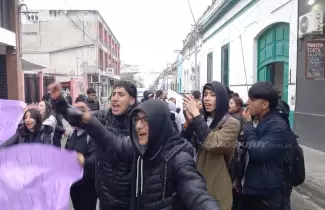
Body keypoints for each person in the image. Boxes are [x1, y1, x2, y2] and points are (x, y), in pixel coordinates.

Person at [50, 80, 138, 210]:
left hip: (128, 199)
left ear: (131, 100)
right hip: (104, 195)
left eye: (121, 94)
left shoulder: (138, 122)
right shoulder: (105, 115)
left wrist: (91, 122)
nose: (115, 98)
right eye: (113, 94)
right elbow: (77, 118)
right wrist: (59, 101)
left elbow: (116, 146)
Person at [129, 99, 220, 210]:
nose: (138, 126)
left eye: (145, 120)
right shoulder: (141, 154)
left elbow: (198, 195)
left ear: (159, 123)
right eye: (137, 119)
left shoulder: (178, 158)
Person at [182, 81, 241, 210]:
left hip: (217, 182)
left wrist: (196, 117)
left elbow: (213, 144)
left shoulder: (232, 123)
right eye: (205, 94)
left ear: (221, 98)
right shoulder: (203, 120)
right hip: (197, 182)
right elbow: (184, 143)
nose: (207, 98)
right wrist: (190, 122)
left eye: (212, 95)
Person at [241, 82, 291, 210]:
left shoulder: (277, 125)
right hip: (253, 188)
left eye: (252, 99)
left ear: (265, 105)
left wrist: (248, 126)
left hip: (265, 194)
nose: (247, 102)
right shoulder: (259, 119)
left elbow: (259, 152)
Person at [66, 127, 97, 210]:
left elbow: (96, 158)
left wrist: (85, 161)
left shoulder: (91, 135)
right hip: (74, 182)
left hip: (87, 183)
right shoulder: (72, 134)